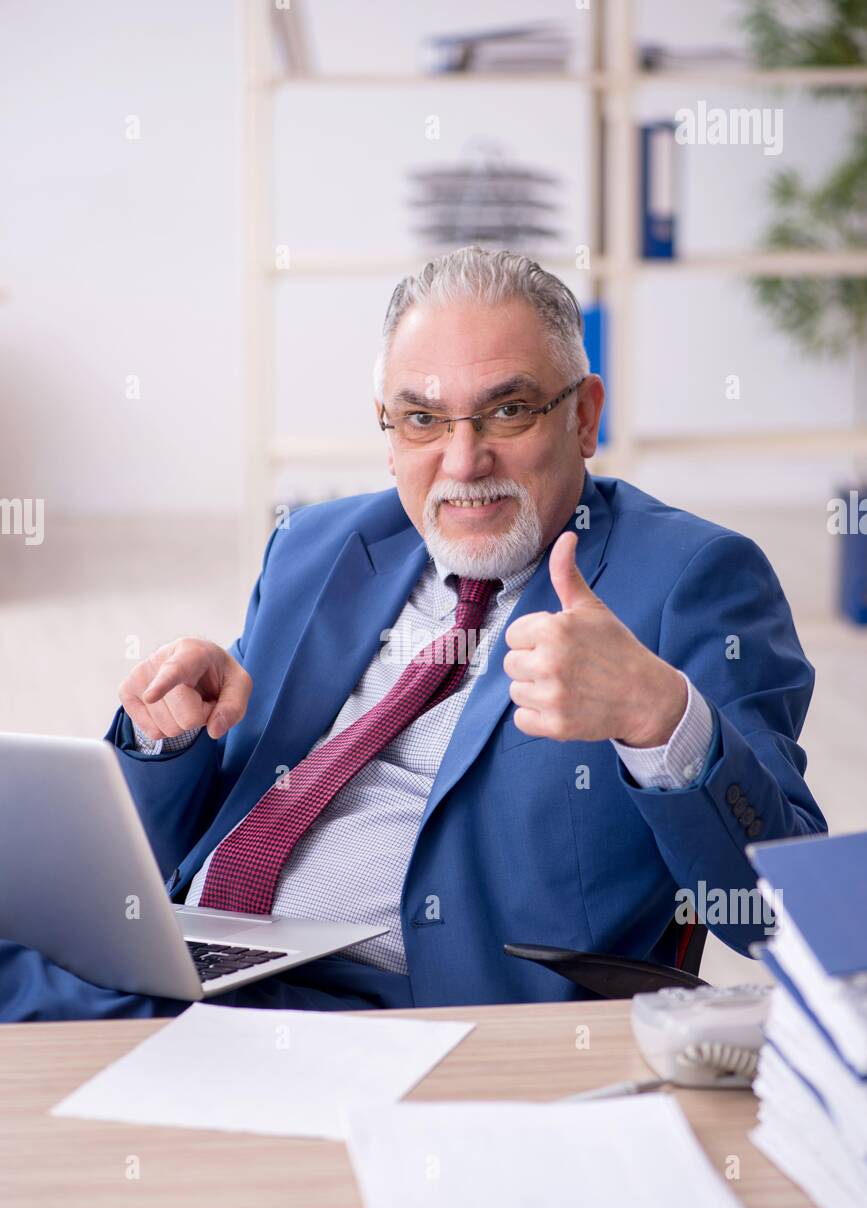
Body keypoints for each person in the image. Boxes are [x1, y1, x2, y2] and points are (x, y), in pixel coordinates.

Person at [0, 246, 826, 1021]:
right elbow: (177, 844)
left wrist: (661, 720)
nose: (463, 462)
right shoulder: (319, 546)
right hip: (193, 963)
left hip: (399, 1014)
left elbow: (783, 921)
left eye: (506, 411)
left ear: (583, 416)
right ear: (387, 429)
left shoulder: (694, 578)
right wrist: (167, 739)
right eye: (423, 419)